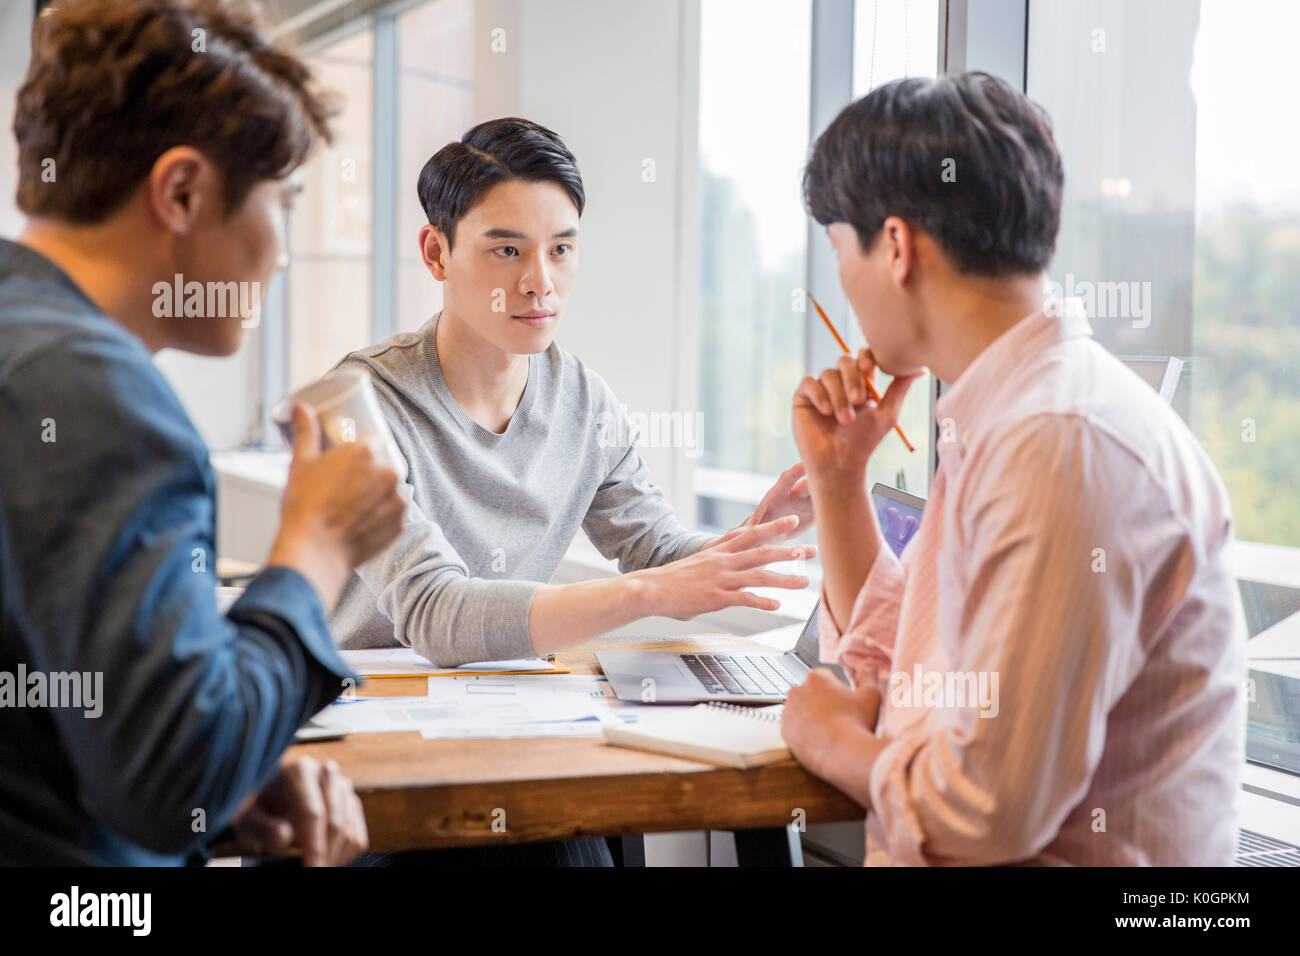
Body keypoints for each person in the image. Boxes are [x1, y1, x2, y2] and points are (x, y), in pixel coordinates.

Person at [780, 72, 1246, 866]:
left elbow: (986, 808)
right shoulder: (1012, 417)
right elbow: (912, 669)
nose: (842, 288)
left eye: (837, 250)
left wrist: (828, 745)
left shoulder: (1058, 442)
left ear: (894, 246)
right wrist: (838, 478)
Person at [0, 0, 405, 865]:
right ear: (182, 191)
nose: (284, 253)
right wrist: (318, 548)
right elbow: (170, 777)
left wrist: (229, 784)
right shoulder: (97, 394)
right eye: (283, 204)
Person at [331, 117, 816, 669]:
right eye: (507, 252)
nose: (540, 282)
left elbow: (657, 554)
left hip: (502, 702)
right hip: (359, 712)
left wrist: (760, 535)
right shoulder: (357, 402)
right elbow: (434, 614)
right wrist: (642, 597)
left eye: (560, 249)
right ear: (436, 252)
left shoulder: (585, 403)